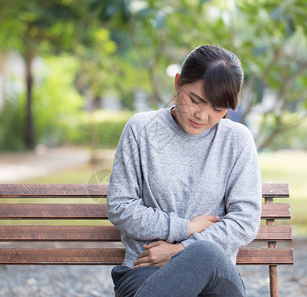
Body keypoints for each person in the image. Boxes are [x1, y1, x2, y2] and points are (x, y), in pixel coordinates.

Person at [106, 45, 262, 297]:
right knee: (201, 253)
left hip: (215, 281)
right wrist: (186, 226)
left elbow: (245, 221)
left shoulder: (237, 140)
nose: (203, 115)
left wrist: (181, 250)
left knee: (206, 253)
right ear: (178, 83)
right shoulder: (141, 130)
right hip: (146, 273)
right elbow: (121, 207)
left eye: (218, 109)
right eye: (195, 100)